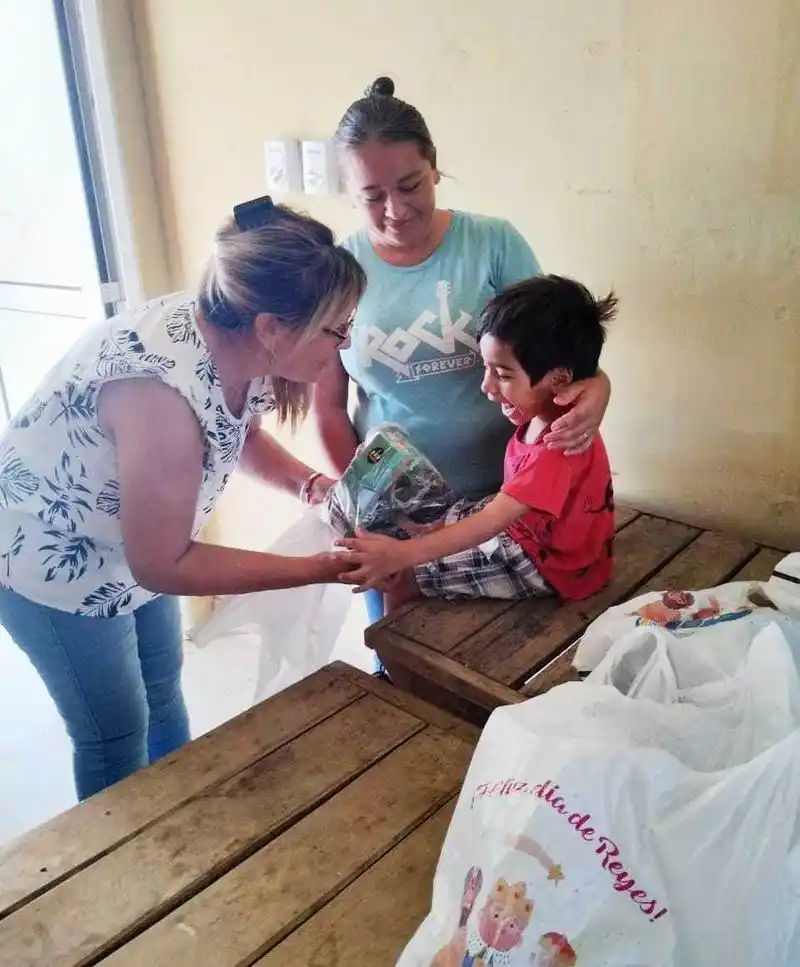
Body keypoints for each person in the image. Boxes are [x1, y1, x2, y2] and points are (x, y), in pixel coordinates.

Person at [0, 196, 364, 800]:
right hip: (53, 564)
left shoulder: (236, 335)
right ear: (272, 327)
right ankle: (122, 853)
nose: (343, 344)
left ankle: (177, 818)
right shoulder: (158, 393)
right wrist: (314, 569)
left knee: (163, 691)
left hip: (137, 544)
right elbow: (163, 563)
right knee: (115, 733)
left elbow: (238, 431)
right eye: (335, 328)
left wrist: (311, 486)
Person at [314, 77, 612, 654]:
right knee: (401, 652)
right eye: (372, 195)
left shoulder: (492, 243)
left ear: (434, 165)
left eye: (409, 185)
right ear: (349, 192)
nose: (395, 210)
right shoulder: (338, 271)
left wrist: (599, 387)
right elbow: (327, 406)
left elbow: (556, 348)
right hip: (396, 516)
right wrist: (366, 507)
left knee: (493, 658)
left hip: (506, 509)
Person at [338, 275, 617, 611]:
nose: (486, 386)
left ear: (558, 379)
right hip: (534, 531)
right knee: (418, 521)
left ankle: (391, 646)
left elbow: (494, 519)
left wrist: (401, 556)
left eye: (503, 374)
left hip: (549, 564)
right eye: (487, 368)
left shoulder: (556, 446)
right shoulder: (553, 409)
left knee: (401, 574)